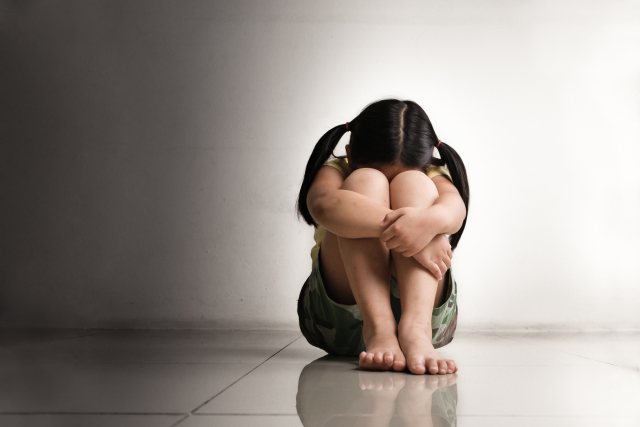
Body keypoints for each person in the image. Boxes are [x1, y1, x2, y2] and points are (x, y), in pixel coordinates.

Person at [296, 99, 469, 375]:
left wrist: (427, 223)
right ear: (350, 155)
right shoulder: (337, 169)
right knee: (364, 182)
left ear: (426, 161)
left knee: (415, 184)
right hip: (339, 319)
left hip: (429, 322)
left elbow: (455, 210)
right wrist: (408, 231)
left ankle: (416, 330)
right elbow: (322, 204)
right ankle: (379, 328)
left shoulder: (430, 174)